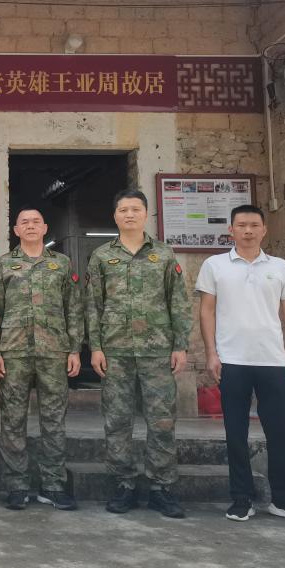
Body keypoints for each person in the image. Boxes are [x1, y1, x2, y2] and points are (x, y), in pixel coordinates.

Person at [196, 205, 285, 525]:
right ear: (231, 230)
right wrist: (211, 353)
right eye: (241, 225)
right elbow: (206, 311)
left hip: (273, 361)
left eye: (253, 225)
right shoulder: (215, 265)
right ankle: (241, 499)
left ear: (264, 230)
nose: (247, 231)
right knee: (235, 434)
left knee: (281, 432)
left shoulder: (280, 267)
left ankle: (284, 500)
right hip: (232, 361)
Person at [86, 188, 192, 519]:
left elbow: (178, 301)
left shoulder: (164, 254)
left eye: (135, 209)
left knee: (161, 420)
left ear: (146, 214)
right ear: (115, 216)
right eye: (123, 210)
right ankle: (124, 485)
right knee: (117, 420)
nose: (129, 214)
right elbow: (92, 305)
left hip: (157, 351)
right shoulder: (101, 256)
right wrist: (95, 347)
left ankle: (161, 488)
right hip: (115, 351)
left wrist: (180, 344)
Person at [0, 207, 83, 511]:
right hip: (14, 352)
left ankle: (53, 486)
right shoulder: (4, 264)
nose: (30, 226)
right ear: (15, 230)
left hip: (54, 352)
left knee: (54, 420)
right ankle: (17, 486)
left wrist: (74, 349)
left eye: (35, 222)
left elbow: (73, 308)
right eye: (24, 222)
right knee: (13, 421)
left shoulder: (61, 264)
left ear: (45, 228)